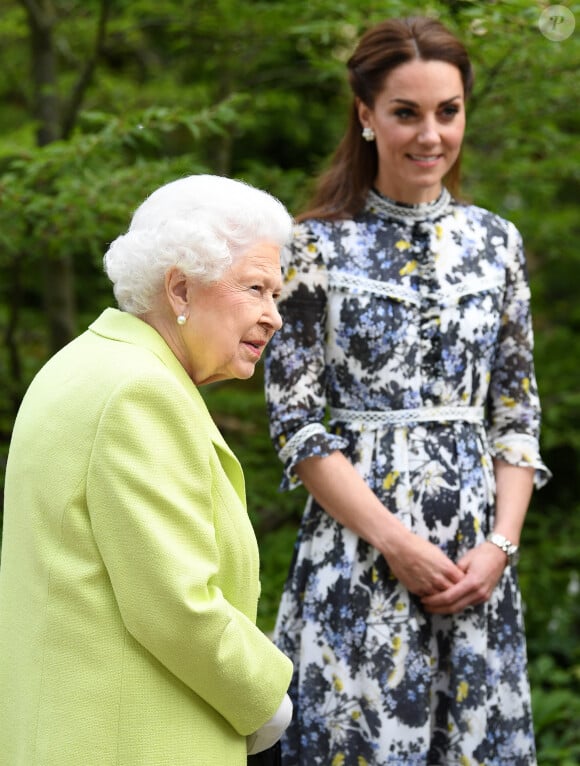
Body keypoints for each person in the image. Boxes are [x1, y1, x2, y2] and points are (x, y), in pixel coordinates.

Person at [264, 16, 550, 766]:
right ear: (364, 114)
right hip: (361, 559)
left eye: (447, 112)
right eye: (406, 112)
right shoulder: (311, 246)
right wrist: (395, 543)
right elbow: (295, 422)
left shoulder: (498, 243)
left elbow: (516, 414)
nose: (431, 135)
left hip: (477, 573)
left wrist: (500, 546)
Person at [0, 174, 295, 766]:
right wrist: (270, 701)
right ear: (180, 290)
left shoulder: (83, 363)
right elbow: (178, 606)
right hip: (133, 739)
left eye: (276, 296)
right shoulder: (140, 392)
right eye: (256, 288)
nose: (273, 317)